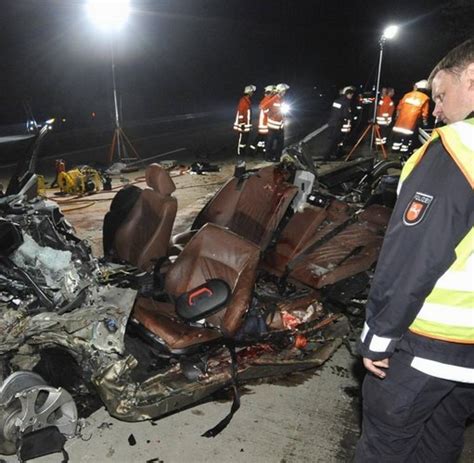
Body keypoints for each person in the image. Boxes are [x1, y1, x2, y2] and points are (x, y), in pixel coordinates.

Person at [355, 38, 474, 462]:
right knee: (440, 444)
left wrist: (378, 334)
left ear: (472, 78)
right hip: (468, 358)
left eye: (441, 95)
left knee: (385, 449)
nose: (436, 109)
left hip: (428, 343)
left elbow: (414, 257)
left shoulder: (457, 150)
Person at [391, 80, 430, 155]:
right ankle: (404, 151)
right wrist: (425, 123)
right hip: (412, 121)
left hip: (401, 120)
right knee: (407, 137)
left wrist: (397, 116)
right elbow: (425, 113)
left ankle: (395, 150)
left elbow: (399, 107)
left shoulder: (407, 95)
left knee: (398, 135)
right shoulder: (425, 98)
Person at [322, 86, 355, 161]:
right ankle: (327, 157)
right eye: (351, 95)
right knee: (335, 140)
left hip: (332, 122)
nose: (351, 97)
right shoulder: (346, 102)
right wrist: (350, 117)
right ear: (348, 94)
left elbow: (333, 111)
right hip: (339, 124)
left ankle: (337, 153)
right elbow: (345, 114)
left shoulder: (337, 101)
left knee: (337, 140)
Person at [233, 84, 256, 176]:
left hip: (246, 126)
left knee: (244, 142)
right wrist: (242, 123)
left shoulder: (247, 100)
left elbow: (248, 114)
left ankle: (242, 154)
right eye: (252, 92)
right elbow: (241, 112)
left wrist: (249, 125)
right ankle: (239, 156)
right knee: (241, 142)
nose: (252, 93)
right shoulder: (243, 101)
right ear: (249, 92)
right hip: (243, 125)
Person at [264, 82, 289, 162]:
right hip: (272, 126)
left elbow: (282, 111)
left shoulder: (282, 99)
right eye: (284, 91)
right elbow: (264, 107)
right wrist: (270, 115)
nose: (285, 92)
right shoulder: (274, 98)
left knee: (280, 143)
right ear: (280, 91)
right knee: (270, 143)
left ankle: (277, 158)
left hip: (280, 126)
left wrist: (283, 117)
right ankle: (268, 157)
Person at [255, 85, 275, 155]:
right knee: (266, 139)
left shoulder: (266, 99)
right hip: (265, 123)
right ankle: (265, 152)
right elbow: (266, 110)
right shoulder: (267, 99)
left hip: (264, 123)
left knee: (262, 139)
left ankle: (259, 150)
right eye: (273, 91)